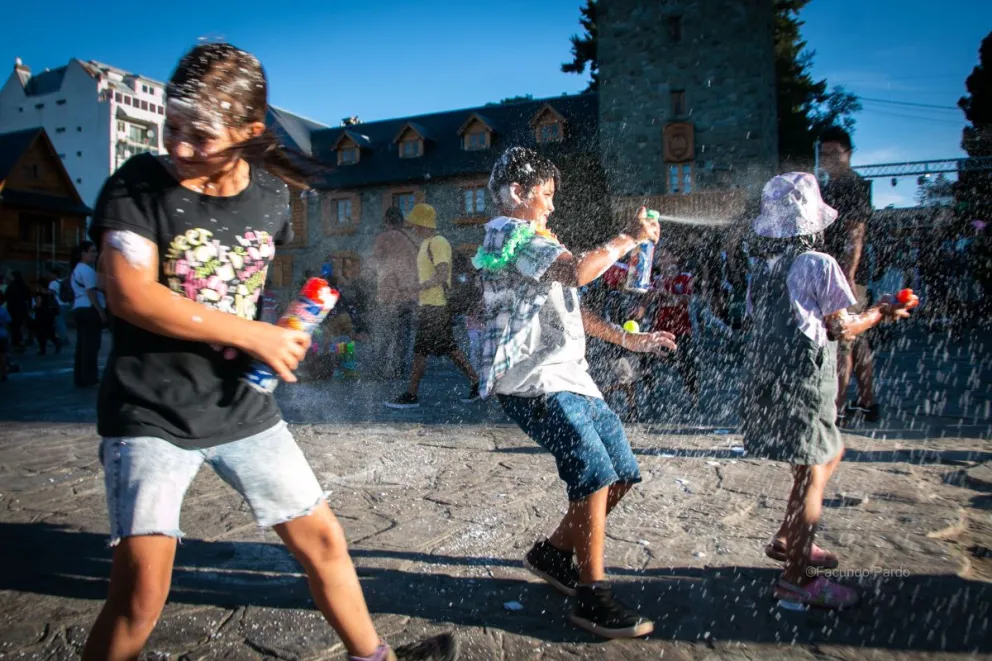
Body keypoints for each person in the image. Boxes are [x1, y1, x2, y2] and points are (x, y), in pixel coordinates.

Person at [80, 43, 457, 661]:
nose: (179, 147)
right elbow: (129, 293)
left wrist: (284, 328)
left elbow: (238, 289)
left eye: (200, 135)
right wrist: (255, 335)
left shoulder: (272, 199)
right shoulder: (138, 184)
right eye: (171, 127)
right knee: (141, 594)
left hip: (242, 406)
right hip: (149, 411)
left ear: (249, 132)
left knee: (324, 543)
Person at [475, 147, 675, 638]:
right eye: (544, 194)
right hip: (533, 382)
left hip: (572, 377)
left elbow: (572, 304)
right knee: (593, 471)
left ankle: (553, 555)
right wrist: (629, 237)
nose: (551, 205)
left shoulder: (538, 242)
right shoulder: (508, 235)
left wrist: (628, 340)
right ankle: (592, 595)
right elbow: (579, 271)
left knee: (621, 473)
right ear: (516, 192)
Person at [741, 173, 915, 609]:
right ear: (815, 220)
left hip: (766, 379)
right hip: (803, 379)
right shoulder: (819, 262)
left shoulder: (762, 269)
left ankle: (789, 538)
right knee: (812, 473)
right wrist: (882, 311)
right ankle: (797, 579)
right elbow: (841, 328)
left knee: (827, 454)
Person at [385, 203, 479, 409]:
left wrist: (417, 287)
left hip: (436, 306)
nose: (412, 227)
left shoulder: (438, 242)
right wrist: (412, 288)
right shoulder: (426, 243)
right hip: (430, 306)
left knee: (422, 351)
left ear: (422, 223)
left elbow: (442, 275)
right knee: (449, 349)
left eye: (415, 223)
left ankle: (411, 394)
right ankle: (477, 382)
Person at [818, 126, 877, 422]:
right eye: (823, 154)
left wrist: (848, 275)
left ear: (848, 154)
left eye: (834, 153)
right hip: (842, 273)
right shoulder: (829, 187)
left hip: (846, 275)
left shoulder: (852, 185)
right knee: (857, 338)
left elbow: (856, 233)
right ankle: (867, 402)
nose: (828, 159)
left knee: (842, 340)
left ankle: (837, 409)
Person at [643, 248, 700, 415]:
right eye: (660, 258)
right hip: (660, 330)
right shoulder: (657, 279)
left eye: (665, 257)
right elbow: (648, 299)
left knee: (687, 366)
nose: (661, 260)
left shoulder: (685, 277)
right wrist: (642, 307)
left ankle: (694, 399)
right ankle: (651, 395)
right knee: (646, 360)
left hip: (681, 331)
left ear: (675, 259)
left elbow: (686, 300)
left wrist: (665, 293)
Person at [369, 206, 419, 379]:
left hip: (388, 295)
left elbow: (375, 261)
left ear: (387, 221)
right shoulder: (412, 240)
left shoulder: (383, 238)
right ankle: (399, 370)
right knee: (403, 336)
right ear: (401, 221)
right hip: (409, 295)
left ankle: (379, 370)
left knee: (385, 333)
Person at [71, 241, 107, 387]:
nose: (95, 254)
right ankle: (90, 377)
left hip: (79, 308)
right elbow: (90, 292)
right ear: (83, 253)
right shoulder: (86, 270)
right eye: (92, 251)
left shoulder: (77, 269)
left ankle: (80, 377)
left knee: (82, 345)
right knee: (91, 346)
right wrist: (100, 311)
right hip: (89, 309)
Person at [33, 278, 62, 355]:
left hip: (41, 313)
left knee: (40, 332)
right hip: (50, 313)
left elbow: (39, 303)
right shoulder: (49, 292)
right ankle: (56, 342)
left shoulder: (39, 293)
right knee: (49, 330)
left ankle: (42, 349)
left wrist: (34, 307)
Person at [4, 270, 30, 352]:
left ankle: (18, 342)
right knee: (18, 326)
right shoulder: (24, 286)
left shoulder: (11, 286)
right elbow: (28, 297)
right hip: (22, 308)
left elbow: (6, 297)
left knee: (14, 326)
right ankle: (18, 342)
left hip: (13, 308)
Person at [47, 268, 72, 346]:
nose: (49, 276)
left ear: (54, 275)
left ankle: (63, 339)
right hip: (66, 304)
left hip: (58, 305)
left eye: (50, 274)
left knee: (59, 322)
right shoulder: (62, 282)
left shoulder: (53, 283)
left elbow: (50, 293)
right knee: (63, 322)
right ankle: (64, 338)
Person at [0, 291, 10, 382]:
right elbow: (7, 323)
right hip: (2, 334)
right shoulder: (3, 310)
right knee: (3, 354)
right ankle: (4, 373)